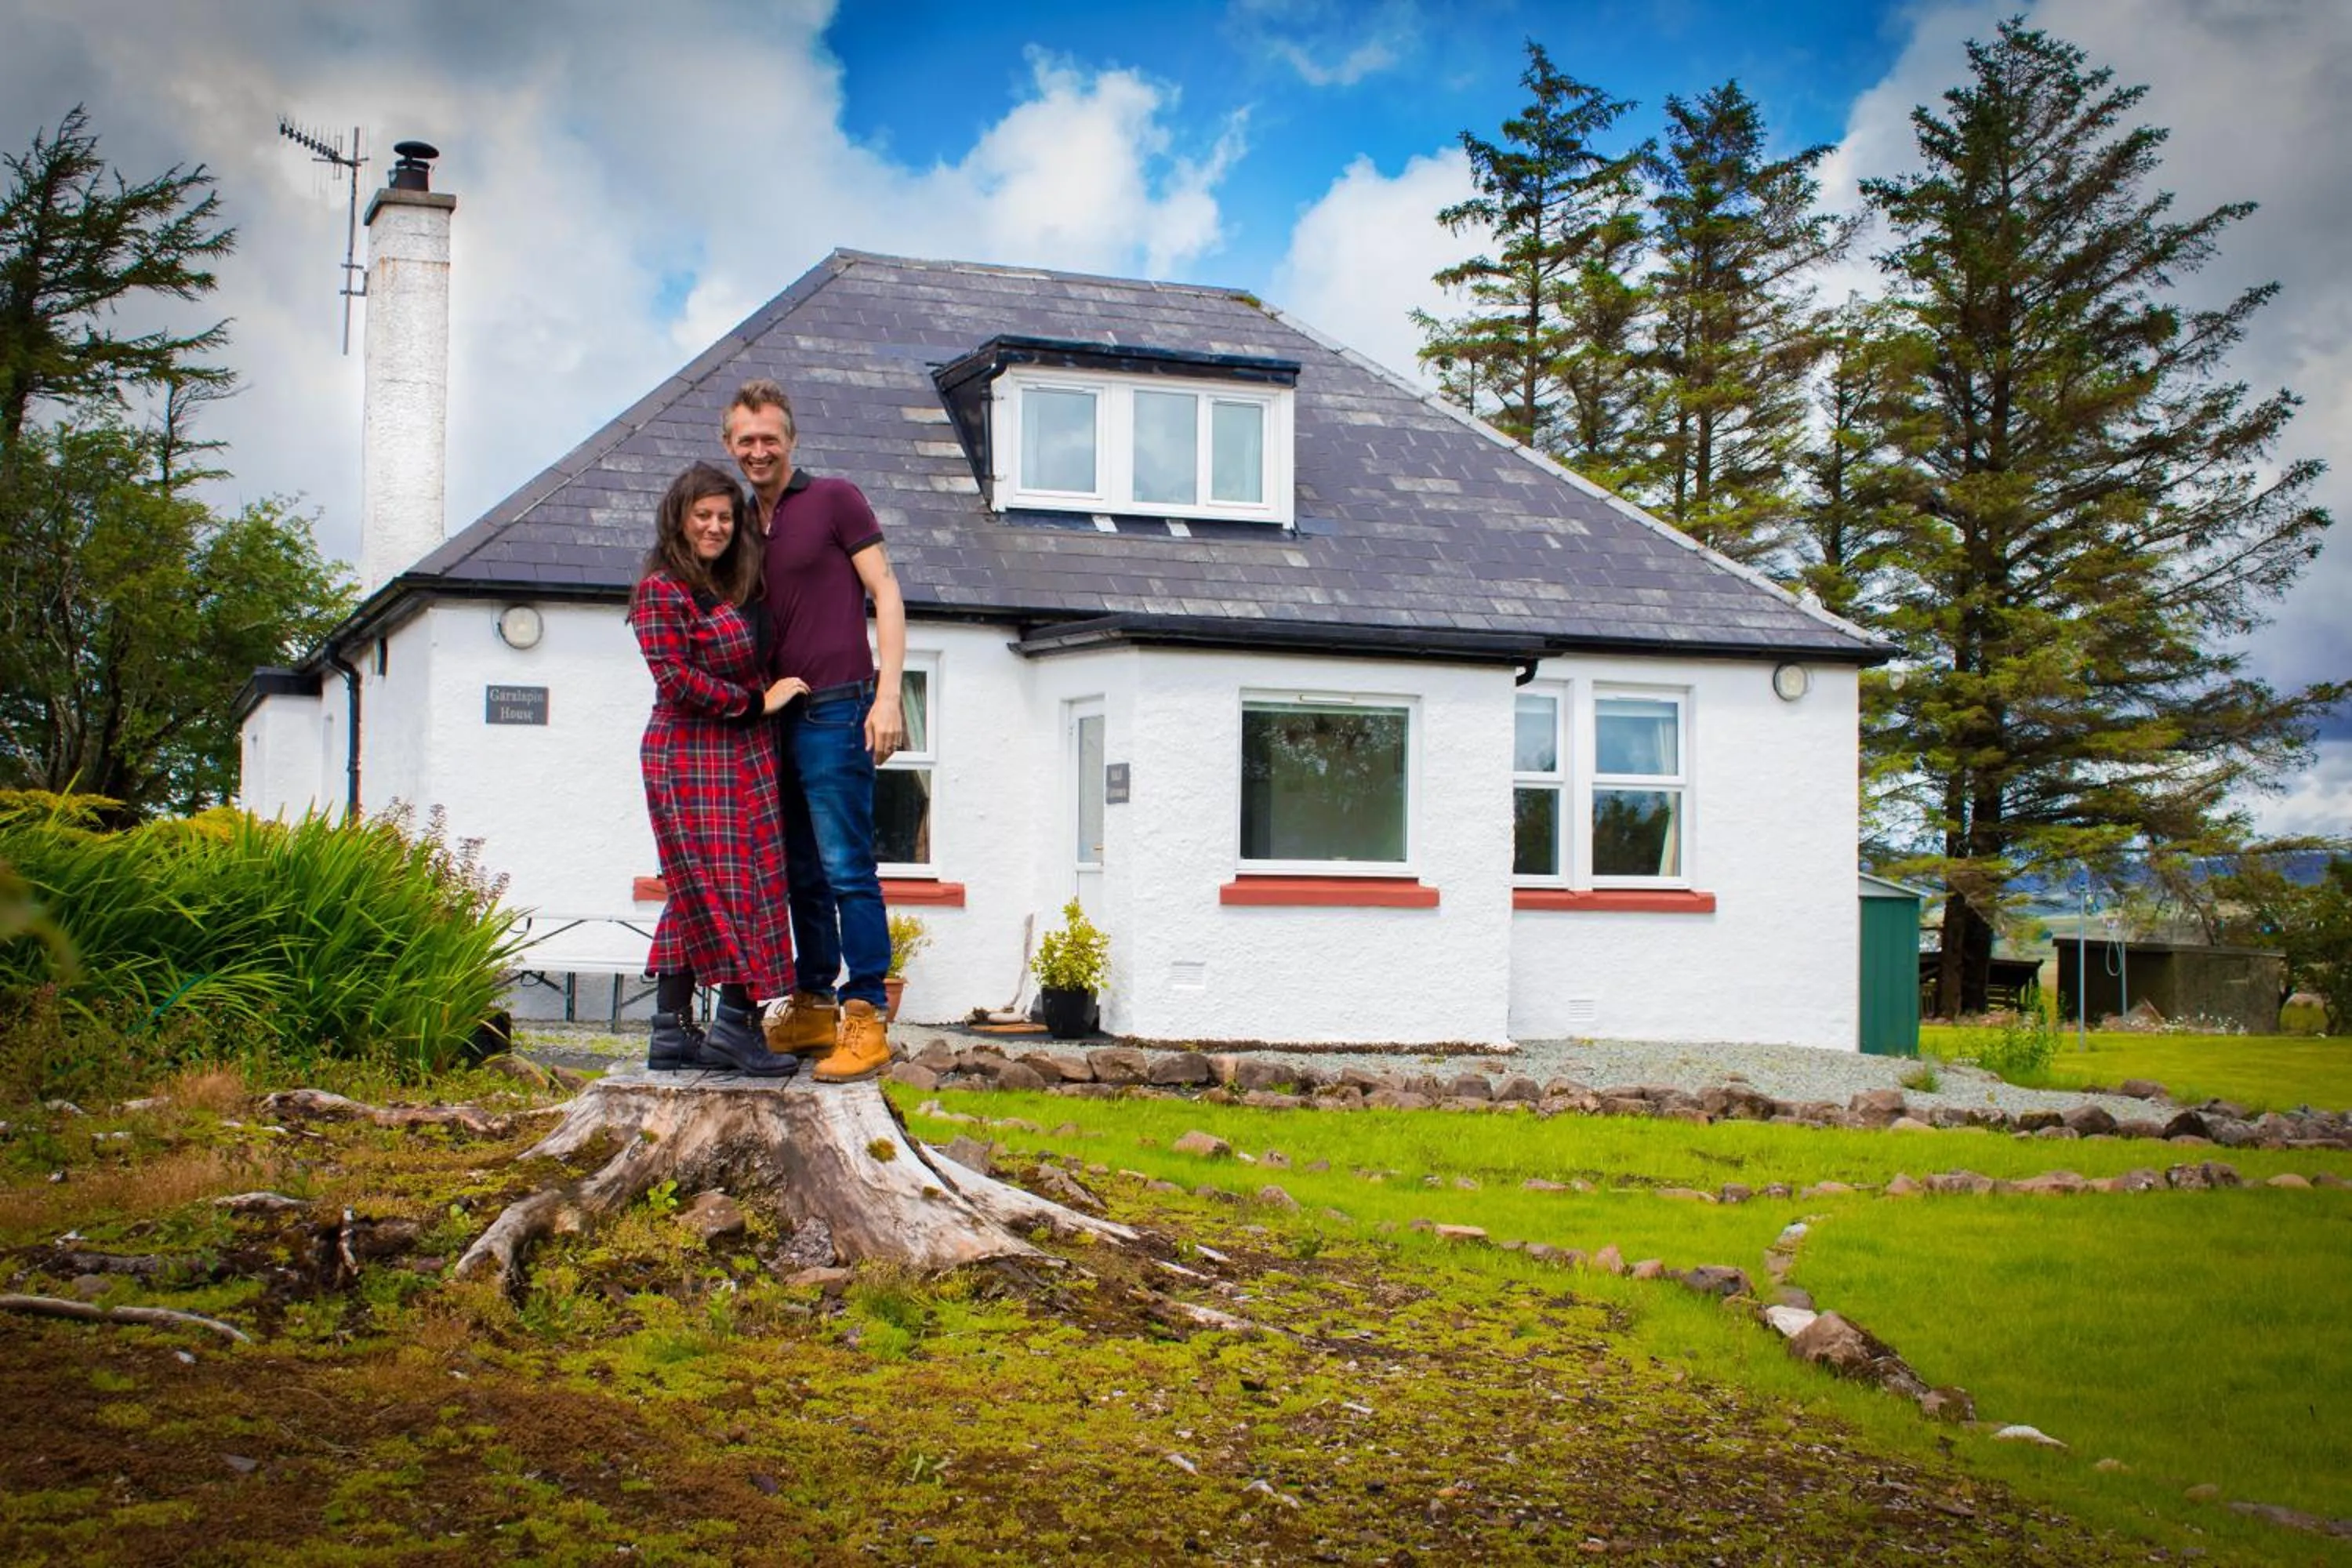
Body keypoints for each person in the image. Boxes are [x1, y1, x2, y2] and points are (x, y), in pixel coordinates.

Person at [724, 379, 906, 1083]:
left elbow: (886, 590)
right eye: (747, 440)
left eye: (770, 437)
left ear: (791, 440)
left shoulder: (835, 498)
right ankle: (812, 1002)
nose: (759, 449)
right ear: (731, 446)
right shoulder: (737, 522)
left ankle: (864, 1013)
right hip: (778, 717)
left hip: (840, 706)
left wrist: (888, 697)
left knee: (845, 868)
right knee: (797, 869)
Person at [630, 461, 808, 1076]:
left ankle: (671, 1031)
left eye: (725, 518)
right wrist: (756, 701)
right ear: (679, 518)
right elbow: (675, 680)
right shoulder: (662, 589)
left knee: (704, 890)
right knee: (731, 889)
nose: (714, 527)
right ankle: (735, 1027)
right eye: (702, 515)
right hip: (690, 754)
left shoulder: (723, 587)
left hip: (740, 754)